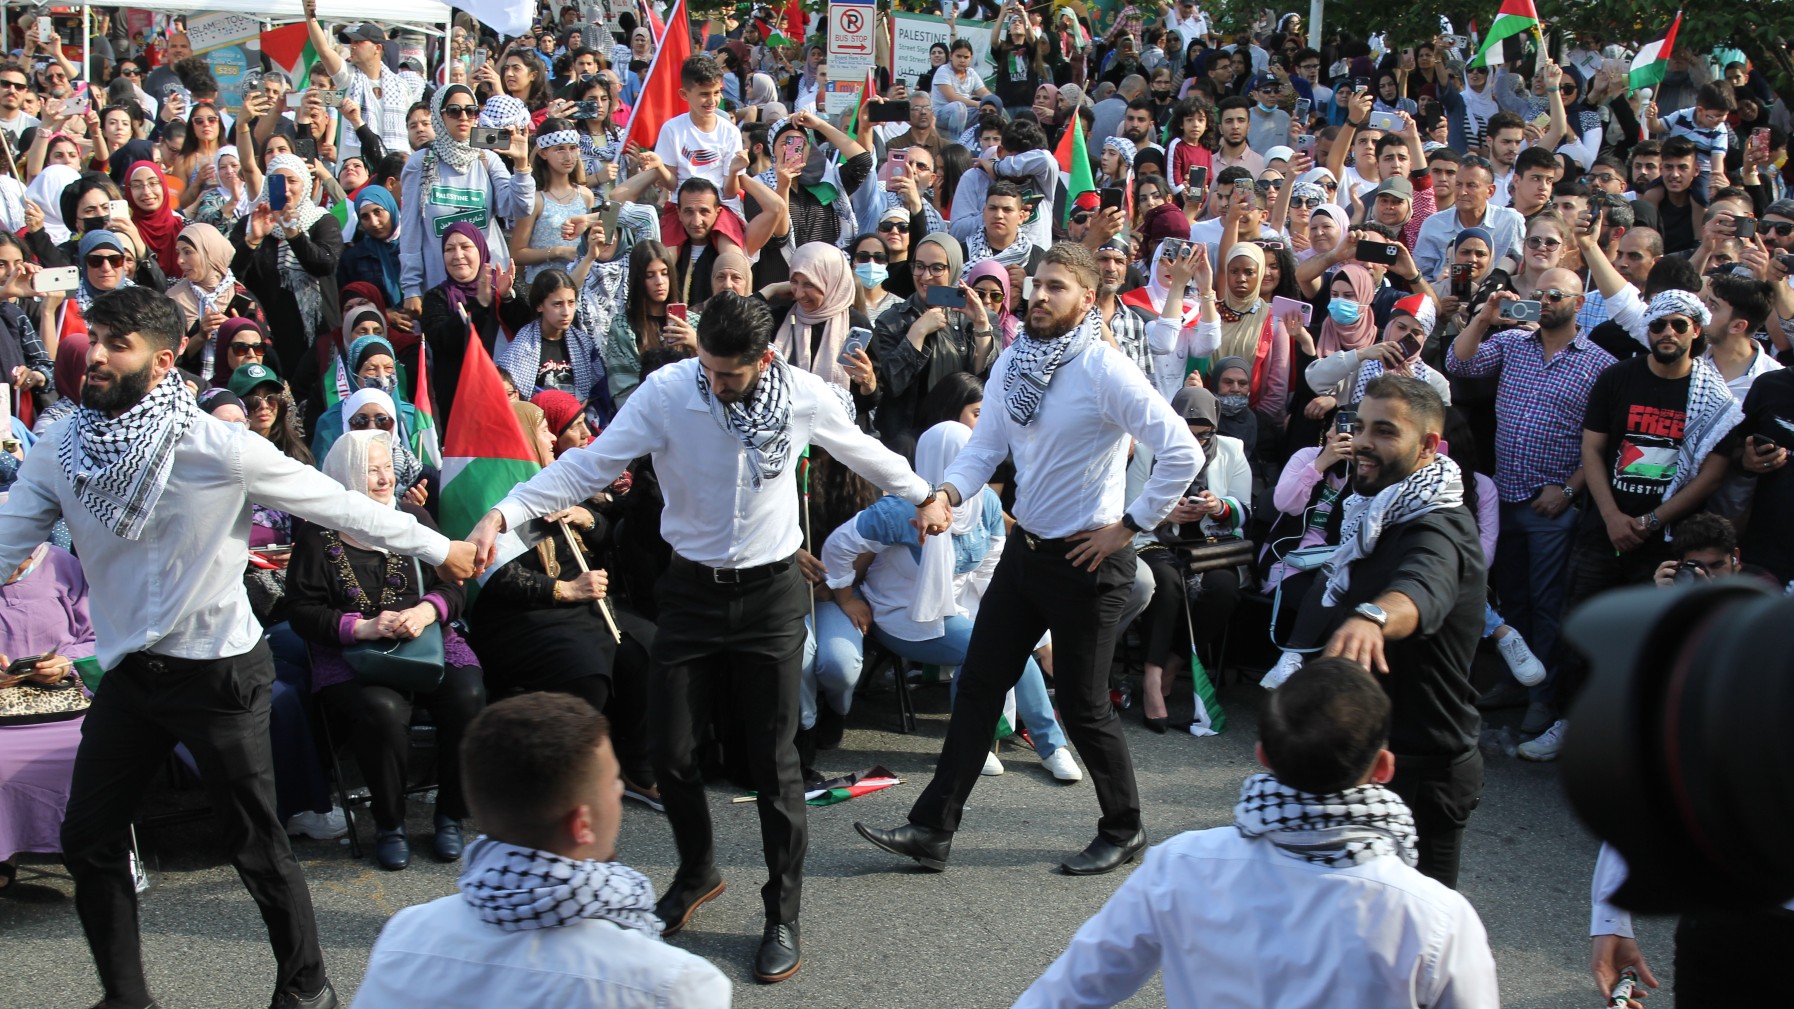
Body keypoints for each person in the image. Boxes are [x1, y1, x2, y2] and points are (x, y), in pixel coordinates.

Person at [0, 285, 477, 1009]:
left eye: (114, 344)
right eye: (92, 336)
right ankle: (125, 998)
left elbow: (342, 504)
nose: (93, 353)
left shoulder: (217, 447)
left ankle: (307, 983)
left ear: (162, 363)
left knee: (254, 847)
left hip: (221, 673)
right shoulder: (63, 453)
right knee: (89, 837)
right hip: (131, 675)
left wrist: (443, 546)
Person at [466, 291, 938, 983]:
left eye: (730, 374)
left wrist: (926, 494)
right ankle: (697, 870)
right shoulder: (668, 392)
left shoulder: (804, 396)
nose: (714, 383)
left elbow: (865, 452)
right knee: (669, 750)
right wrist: (503, 517)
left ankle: (782, 911)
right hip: (690, 588)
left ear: (764, 358)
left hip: (772, 593)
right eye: (707, 368)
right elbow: (588, 466)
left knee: (773, 765)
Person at [856, 242, 1200, 876]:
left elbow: (1182, 451)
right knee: (980, 686)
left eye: (1057, 288)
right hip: (1026, 553)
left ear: (1088, 300)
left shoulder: (1103, 370)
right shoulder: (1016, 358)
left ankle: (1124, 828)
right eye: (1036, 284)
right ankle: (932, 830)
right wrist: (945, 495)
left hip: (1089, 561)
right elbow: (983, 449)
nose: (1040, 296)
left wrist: (1128, 528)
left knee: (1085, 702)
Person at [1014, 656, 1499, 1008]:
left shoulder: (1181, 865)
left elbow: (1073, 988)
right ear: (1385, 768)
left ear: (1262, 755)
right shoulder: (1438, 916)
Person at [352, 693, 729, 1008]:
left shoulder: (404, 935)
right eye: (613, 781)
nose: (619, 791)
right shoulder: (678, 985)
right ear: (582, 824)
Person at [1274, 375, 1487, 889]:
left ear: (1429, 446)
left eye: (1385, 431)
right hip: (1369, 758)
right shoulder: (1377, 510)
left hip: (1423, 772)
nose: (1363, 442)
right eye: (1360, 426)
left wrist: (1373, 618)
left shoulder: (1439, 527)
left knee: (1414, 944)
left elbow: (1421, 587)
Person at [819, 419, 1079, 779]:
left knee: (1004, 640)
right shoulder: (901, 508)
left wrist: (1009, 617)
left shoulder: (985, 501)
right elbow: (837, 546)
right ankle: (991, 743)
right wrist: (846, 597)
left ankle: (1031, 744)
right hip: (901, 613)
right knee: (991, 648)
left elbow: (990, 566)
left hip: (958, 607)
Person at [287, 429, 483, 871]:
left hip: (424, 641)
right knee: (382, 709)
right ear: (345, 475)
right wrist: (362, 627)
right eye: (370, 470)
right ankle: (390, 822)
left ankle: (450, 813)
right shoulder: (319, 535)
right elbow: (301, 611)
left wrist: (427, 613)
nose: (383, 479)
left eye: (387, 468)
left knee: (467, 694)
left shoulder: (414, 519)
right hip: (352, 653)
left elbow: (452, 587)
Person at [0, 544, 95, 897]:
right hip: (3, 708)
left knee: (94, 751)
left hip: (70, 698)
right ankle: (4, 854)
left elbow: (101, 637)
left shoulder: (62, 565)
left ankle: (94, 850)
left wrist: (64, 664)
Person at [398, 85, 534, 314]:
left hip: (490, 284)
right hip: (441, 286)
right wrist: (411, 288)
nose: (463, 117)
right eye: (454, 110)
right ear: (439, 116)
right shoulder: (420, 163)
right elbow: (410, 229)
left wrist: (521, 166)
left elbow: (519, 208)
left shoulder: (486, 158)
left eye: (471, 111)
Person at [232, 153, 345, 395]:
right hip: (270, 339)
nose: (285, 189)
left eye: (292, 181)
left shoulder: (321, 221)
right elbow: (232, 280)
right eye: (277, 181)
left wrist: (292, 232)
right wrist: (252, 241)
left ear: (305, 185)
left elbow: (323, 264)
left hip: (318, 336)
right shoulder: (250, 224)